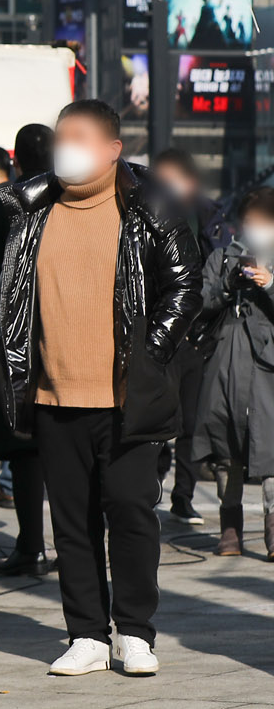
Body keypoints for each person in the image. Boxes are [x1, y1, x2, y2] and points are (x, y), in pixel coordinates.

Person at [0, 99, 199, 677]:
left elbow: (185, 287)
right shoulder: (30, 209)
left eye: (79, 137)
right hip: (55, 395)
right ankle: (86, 633)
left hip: (127, 398)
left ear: (112, 150)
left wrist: (149, 353)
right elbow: (9, 298)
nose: (66, 147)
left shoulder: (150, 204)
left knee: (132, 513)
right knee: (73, 520)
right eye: (62, 136)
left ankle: (134, 631)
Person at [0, 124, 56, 576]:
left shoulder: (6, 203)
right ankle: (73, 546)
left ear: (16, 157)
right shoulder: (76, 197)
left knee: (24, 448)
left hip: (18, 340)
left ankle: (30, 545)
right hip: (70, 335)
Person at [150, 147, 230, 524]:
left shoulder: (208, 218)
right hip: (160, 334)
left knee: (189, 423)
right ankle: (151, 488)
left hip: (196, 336)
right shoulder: (148, 214)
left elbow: (219, 267)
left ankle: (183, 496)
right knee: (154, 421)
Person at [193, 188, 274, 557]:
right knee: (226, 450)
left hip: (267, 370)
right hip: (225, 364)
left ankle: (273, 528)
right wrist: (229, 284)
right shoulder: (222, 258)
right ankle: (230, 528)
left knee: (271, 450)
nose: (256, 228)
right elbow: (200, 301)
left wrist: (269, 284)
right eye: (252, 221)